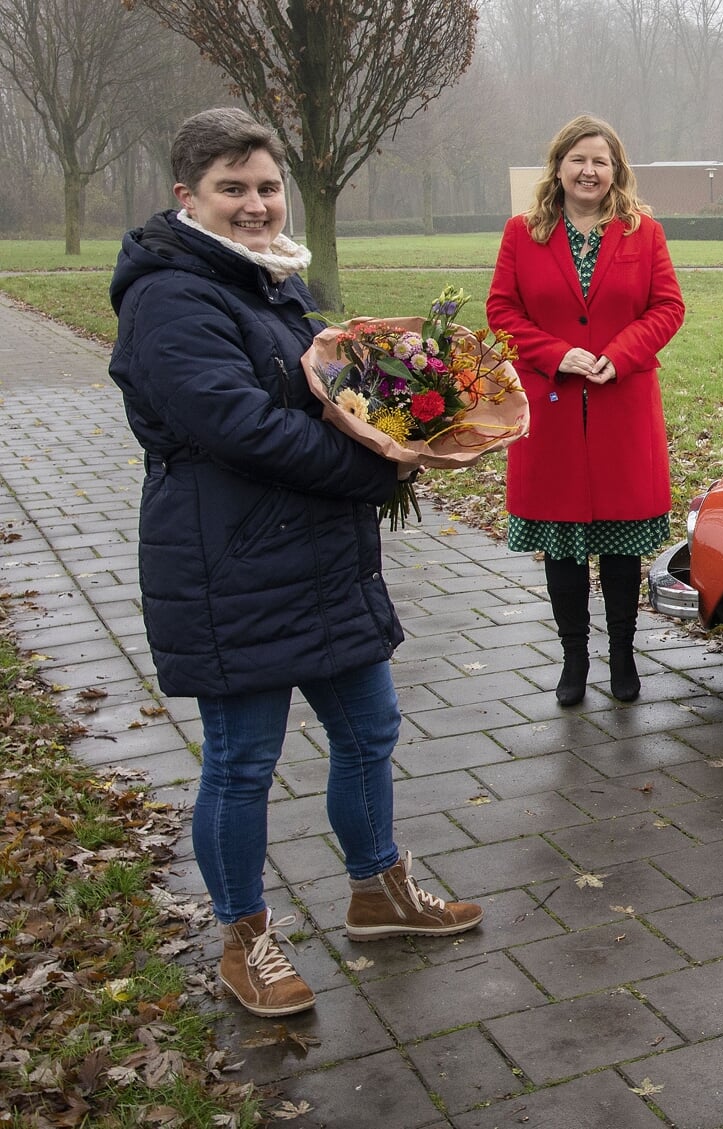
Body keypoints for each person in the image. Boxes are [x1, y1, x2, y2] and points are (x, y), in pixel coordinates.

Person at [108, 108, 482, 1018]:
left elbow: (321, 392)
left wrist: (400, 415)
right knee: (242, 760)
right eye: (232, 188)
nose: (255, 204)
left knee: (370, 732)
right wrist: (376, 462)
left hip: (318, 556)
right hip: (229, 560)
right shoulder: (171, 294)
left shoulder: (268, 283)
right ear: (186, 196)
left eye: (266, 186)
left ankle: (376, 892)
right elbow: (238, 427)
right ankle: (244, 936)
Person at [487, 114, 686, 707]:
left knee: (622, 547)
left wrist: (618, 355)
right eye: (578, 159)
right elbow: (503, 312)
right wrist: (555, 354)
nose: (589, 170)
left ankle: (623, 656)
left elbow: (668, 308)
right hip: (550, 410)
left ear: (615, 169)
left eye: (600, 160)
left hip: (621, 406)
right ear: (558, 166)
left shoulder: (642, 232)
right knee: (563, 546)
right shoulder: (523, 233)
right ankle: (574, 660)